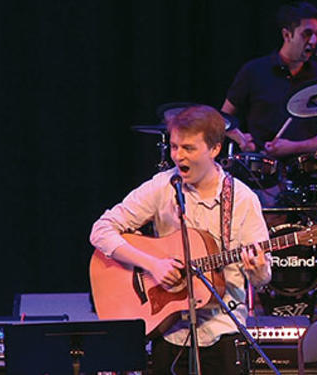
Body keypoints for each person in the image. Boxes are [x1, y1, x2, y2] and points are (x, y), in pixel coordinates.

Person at [90, 105, 271, 375]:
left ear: (214, 150)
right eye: (174, 147)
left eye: (188, 148)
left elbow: (261, 278)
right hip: (170, 331)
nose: (178, 156)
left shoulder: (243, 199)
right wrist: (152, 264)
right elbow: (101, 230)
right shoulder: (162, 186)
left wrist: (258, 270)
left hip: (223, 330)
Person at [222, 1, 317, 159]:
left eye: (316, 34)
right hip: (262, 169)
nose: (313, 41)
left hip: (309, 171)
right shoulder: (254, 71)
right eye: (307, 33)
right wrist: (241, 140)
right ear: (287, 35)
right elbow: (222, 119)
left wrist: (293, 147)